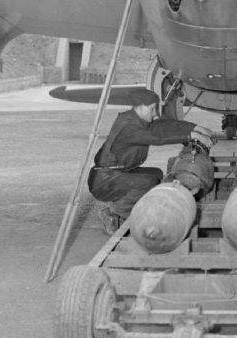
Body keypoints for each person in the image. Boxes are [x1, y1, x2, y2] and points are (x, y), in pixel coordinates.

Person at [88, 90, 213, 235]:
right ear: (140, 107)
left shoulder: (136, 120)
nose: (155, 113)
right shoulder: (128, 126)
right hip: (104, 179)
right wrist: (191, 135)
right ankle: (112, 213)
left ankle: (145, 205)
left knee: (157, 174)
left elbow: (162, 126)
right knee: (147, 182)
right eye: (152, 108)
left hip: (116, 172)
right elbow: (157, 137)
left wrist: (193, 128)